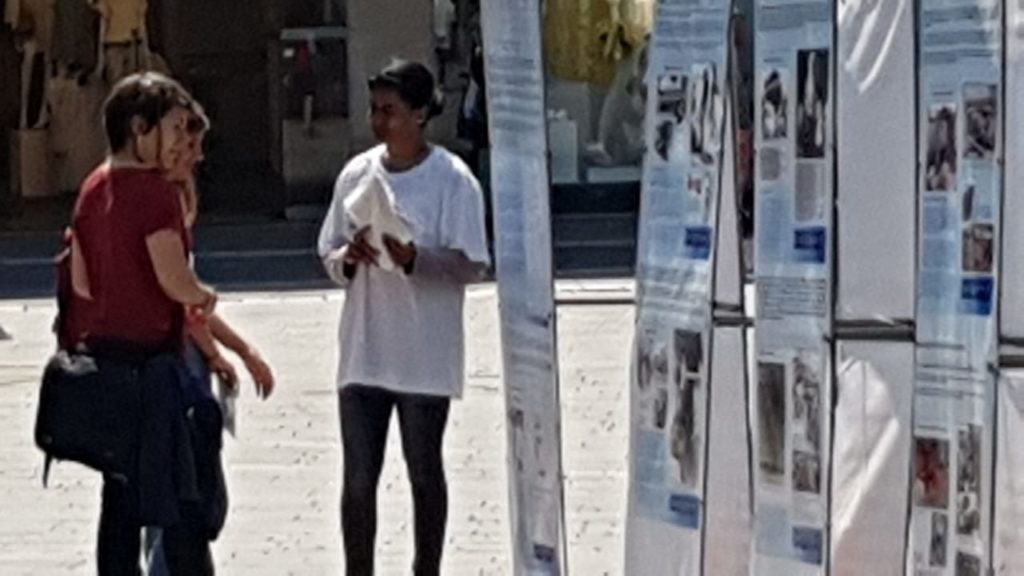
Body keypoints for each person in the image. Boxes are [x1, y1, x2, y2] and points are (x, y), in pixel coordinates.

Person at [317, 59, 490, 576]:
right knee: (358, 478)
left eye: (390, 111)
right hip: (365, 347)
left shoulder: (452, 179)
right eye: (374, 110)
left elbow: (472, 262)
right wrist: (349, 257)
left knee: (423, 471)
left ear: (419, 114)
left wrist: (416, 259)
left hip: (423, 353)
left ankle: (426, 567)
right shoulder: (358, 173)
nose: (380, 122)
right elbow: (328, 249)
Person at [66, 71, 217, 575]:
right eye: (172, 128)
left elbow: (82, 282)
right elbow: (174, 279)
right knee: (178, 493)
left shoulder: (92, 187)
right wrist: (203, 296)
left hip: (105, 364)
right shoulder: (153, 193)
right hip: (153, 366)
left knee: (119, 499)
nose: (178, 141)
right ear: (139, 128)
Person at [141, 101, 276, 576]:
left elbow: (192, 300)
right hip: (176, 361)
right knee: (186, 482)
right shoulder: (163, 202)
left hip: (175, 356)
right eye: (191, 143)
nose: (197, 155)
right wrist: (218, 354)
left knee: (172, 480)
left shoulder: (169, 195)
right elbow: (183, 300)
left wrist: (240, 348)